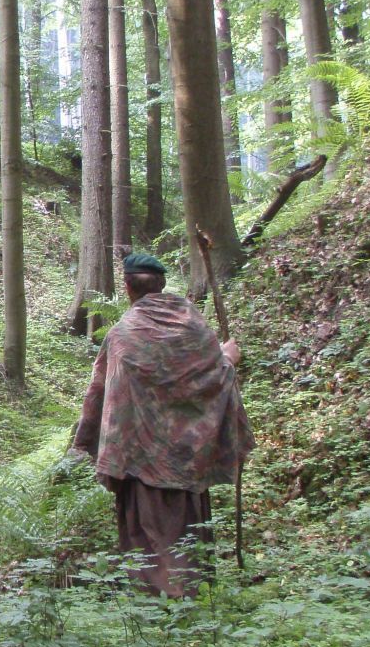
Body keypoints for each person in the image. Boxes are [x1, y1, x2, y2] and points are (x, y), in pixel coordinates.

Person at [70, 252, 254, 597]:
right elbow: (212, 375)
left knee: (147, 533)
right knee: (186, 528)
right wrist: (228, 357)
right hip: (188, 456)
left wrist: (84, 440)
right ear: (163, 284)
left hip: (138, 458)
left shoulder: (123, 335)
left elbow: (100, 390)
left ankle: (159, 600)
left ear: (127, 288)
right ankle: (190, 594)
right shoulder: (194, 325)